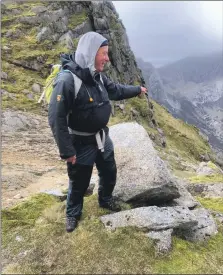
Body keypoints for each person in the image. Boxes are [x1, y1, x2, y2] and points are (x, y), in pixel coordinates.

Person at [48, 31, 147, 233]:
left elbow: (116, 90)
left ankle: (105, 200)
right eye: (104, 53)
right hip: (81, 143)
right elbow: (56, 117)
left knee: (109, 172)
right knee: (79, 182)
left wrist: (137, 89)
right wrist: (67, 151)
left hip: (102, 138)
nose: (107, 59)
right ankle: (72, 214)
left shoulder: (97, 76)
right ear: (91, 53)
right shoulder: (67, 81)